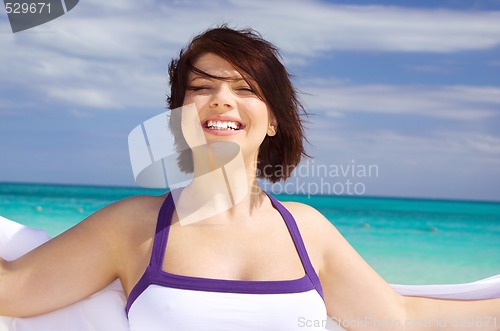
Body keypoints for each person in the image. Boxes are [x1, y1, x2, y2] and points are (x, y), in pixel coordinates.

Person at [1, 25, 499, 331]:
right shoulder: (133, 226)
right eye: (201, 87)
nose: (221, 99)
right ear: (179, 114)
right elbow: (15, 290)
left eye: (245, 88)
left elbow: (399, 320)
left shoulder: (306, 230)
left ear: (274, 119)